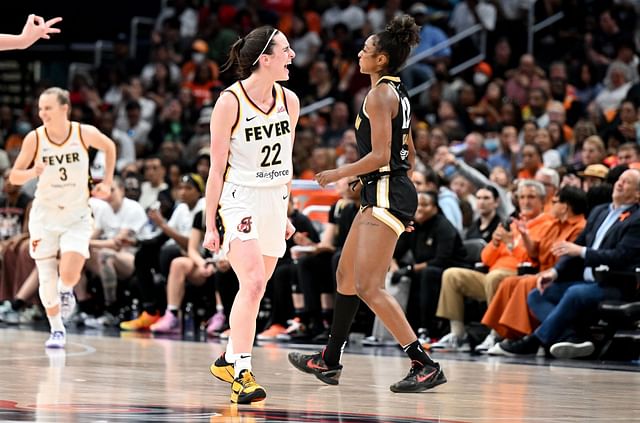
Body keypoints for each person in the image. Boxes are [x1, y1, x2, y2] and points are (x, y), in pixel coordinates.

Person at [287, 15, 446, 393]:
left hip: (388, 191)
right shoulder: (398, 92)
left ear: (382, 61)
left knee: (370, 286)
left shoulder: (378, 95)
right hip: (385, 190)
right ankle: (329, 360)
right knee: (345, 276)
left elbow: (380, 154)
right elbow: (405, 146)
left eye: (366, 50)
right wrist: (381, 180)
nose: (360, 54)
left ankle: (424, 363)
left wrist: (340, 172)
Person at [203, 26, 298, 404]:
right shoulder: (230, 102)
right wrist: (210, 221)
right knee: (255, 282)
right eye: (286, 51)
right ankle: (242, 372)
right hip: (238, 198)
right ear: (265, 59)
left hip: (274, 200)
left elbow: (287, 161)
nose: (292, 56)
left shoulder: (290, 101)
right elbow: (215, 169)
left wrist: (287, 212)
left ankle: (228, 358)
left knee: (254, 291)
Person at [9, 87, 115, 348]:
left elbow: (110, 146)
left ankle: (66, 291)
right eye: (40, 108)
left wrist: (109, 182)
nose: (42, 113)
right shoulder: (35, 138)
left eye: (48, 108)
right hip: (45, 215)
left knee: (69, 271)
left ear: (64, 108)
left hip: (76, 213)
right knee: (46, 274)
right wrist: (33, 171)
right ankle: (56, 329)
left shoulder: (82, 132)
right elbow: (13, 176)